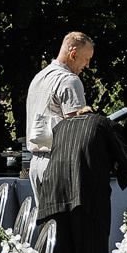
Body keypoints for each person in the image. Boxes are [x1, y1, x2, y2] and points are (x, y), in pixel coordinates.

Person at [37, 106, 127, 253]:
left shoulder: (61, 126)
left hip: (51, 195)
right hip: (86, 195)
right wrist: (118, 169)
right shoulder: (105, 124)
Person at [26, 33, 95, 190]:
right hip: (58, 163)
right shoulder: (69, 80)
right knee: (63, 215)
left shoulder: (39, 77)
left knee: (44, 215)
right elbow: (77, 131)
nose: (87, 65)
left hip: (35, 164)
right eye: (86, 59)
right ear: (73, 54)